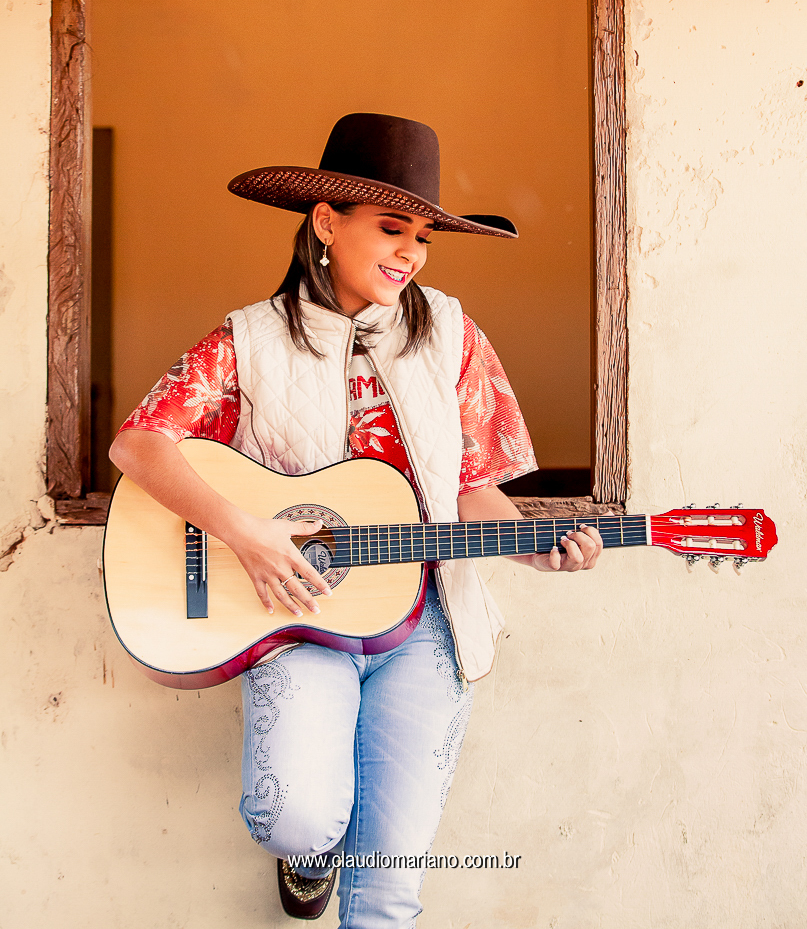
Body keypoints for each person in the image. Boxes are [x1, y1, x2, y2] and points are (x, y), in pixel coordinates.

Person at [110, 113, 602, 926]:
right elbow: (137, 446)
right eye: (390, 228)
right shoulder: (248, 340)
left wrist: (536, 551)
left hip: (428, 622)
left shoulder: (453, 335)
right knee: (296, 817)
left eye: (423, 237)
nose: (410, 252)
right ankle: (309, 855)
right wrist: (244, 531)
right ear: (325, 222)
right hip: (294, 615)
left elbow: (469, 489)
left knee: (389, 888)